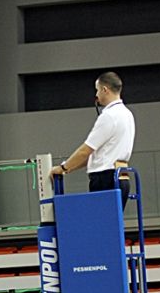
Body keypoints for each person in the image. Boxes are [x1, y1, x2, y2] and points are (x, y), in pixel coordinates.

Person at [50, 72, 135, 210]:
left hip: (105, 179)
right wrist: (67, 168)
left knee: (100, 221)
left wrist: (62, 168)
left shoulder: (108, 116)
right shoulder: (127, 114)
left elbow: (86, 150)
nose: (96, 95)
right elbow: (95, 155)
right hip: (122, 177)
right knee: (111, 221)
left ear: (104, 90)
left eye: (97, 90)